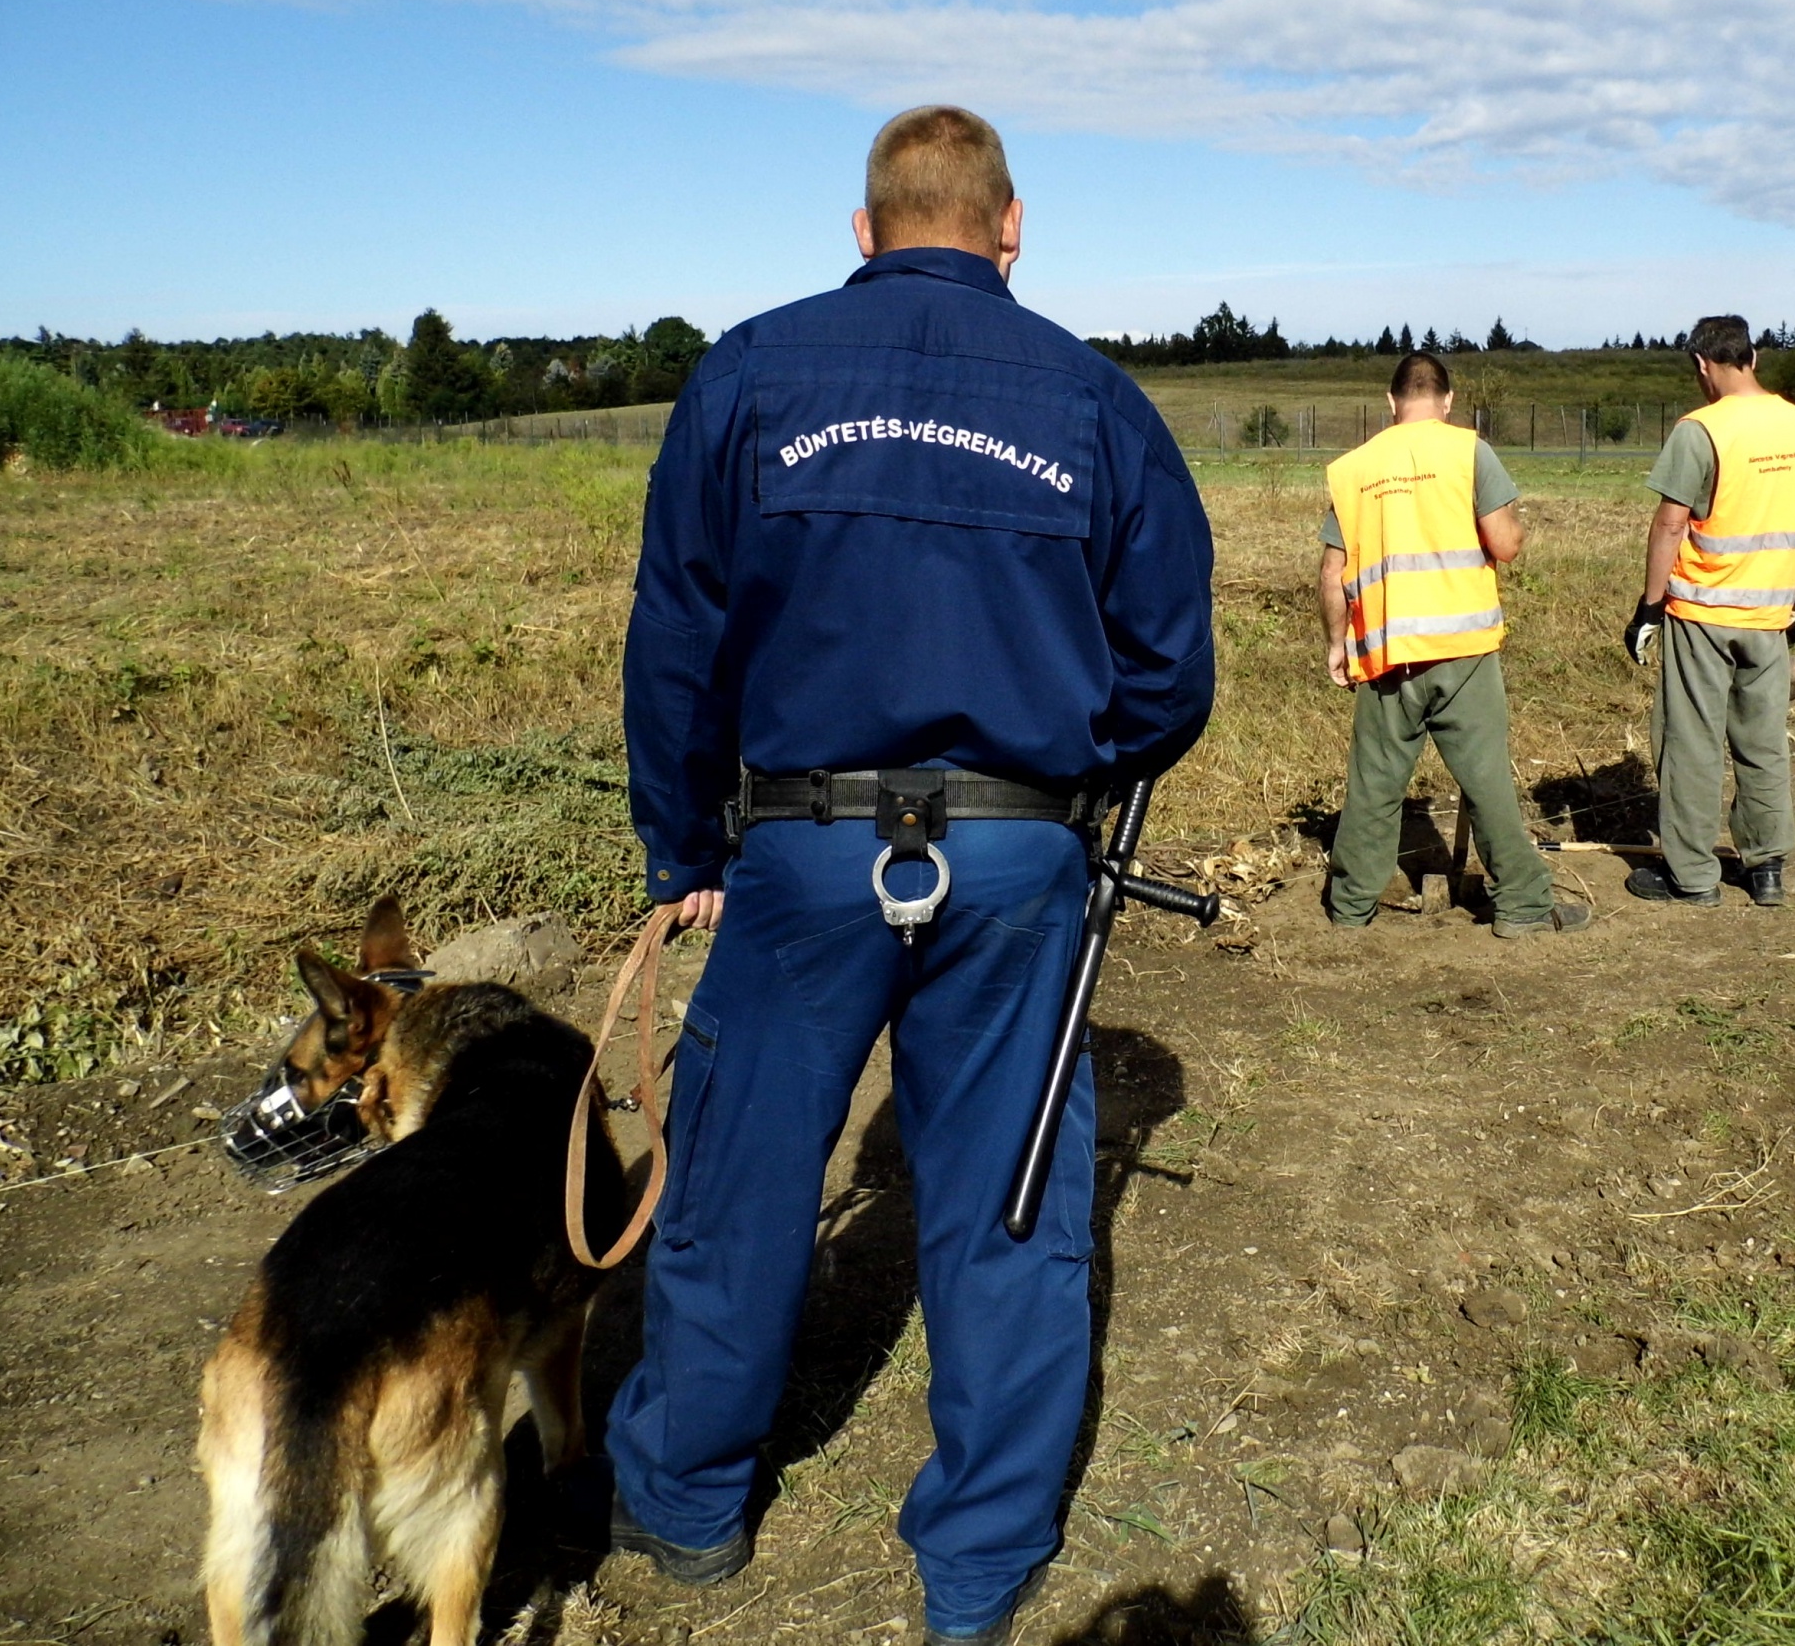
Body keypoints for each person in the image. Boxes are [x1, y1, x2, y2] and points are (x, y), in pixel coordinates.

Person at [607, 106, 1216, 1645]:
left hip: (801, 853)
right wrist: (1055, 787)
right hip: (1018, 857)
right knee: (1010, 1204)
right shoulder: (1097, 403)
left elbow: (677, 639)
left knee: (739, 1176)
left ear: (865, 228)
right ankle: (982, 1563)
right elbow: (1171, 670)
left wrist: (686, 844)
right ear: (1012, 228)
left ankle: (685, 1501)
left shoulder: (749, 376)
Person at [1317, 351, 1588, 938]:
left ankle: (1350, 907)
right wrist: (1513, 525)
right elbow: (1505, 544)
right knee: (1486, 780)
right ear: (1447, 401)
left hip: (1386, 654)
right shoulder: (1470, 451)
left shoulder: (1354, 468)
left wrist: (1338, 643)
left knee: (1374, 786)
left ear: (1392, 402)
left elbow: (1333, 570)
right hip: (1463, 650)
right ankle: (1522, 905)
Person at [1624, 314, 1795, 908]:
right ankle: (1767, 869)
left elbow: (1670, 524)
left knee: (1690, 742)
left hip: (1703, 612)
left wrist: (1649, 607)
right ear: (1752, 358)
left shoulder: (1699, 430)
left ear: (1702, 364)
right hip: (1772, 614)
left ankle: (1692, 878)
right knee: (1763, 742)